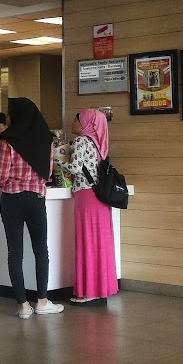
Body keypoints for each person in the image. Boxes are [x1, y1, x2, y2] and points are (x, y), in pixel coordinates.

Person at [0, 97, 64, 318]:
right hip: (36, 199)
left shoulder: (8, 139)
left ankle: (23, 306)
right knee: (40, 250)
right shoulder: (47, 139)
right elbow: (48, 173)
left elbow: (3, 175)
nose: (8, 118)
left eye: (10, 114)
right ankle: (42, 301)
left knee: (15, 253)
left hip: (12, 200)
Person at [60, 109, 118, 304]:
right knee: (100, 243)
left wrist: (56, 161)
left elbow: (75, 168)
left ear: (86, 124)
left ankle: (88, 292)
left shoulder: (80, 141)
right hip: (100, 198)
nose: (73, 123)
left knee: (86, 241)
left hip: (85, 196)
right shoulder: (99, 143)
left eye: (76, 120)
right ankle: (102, 289)